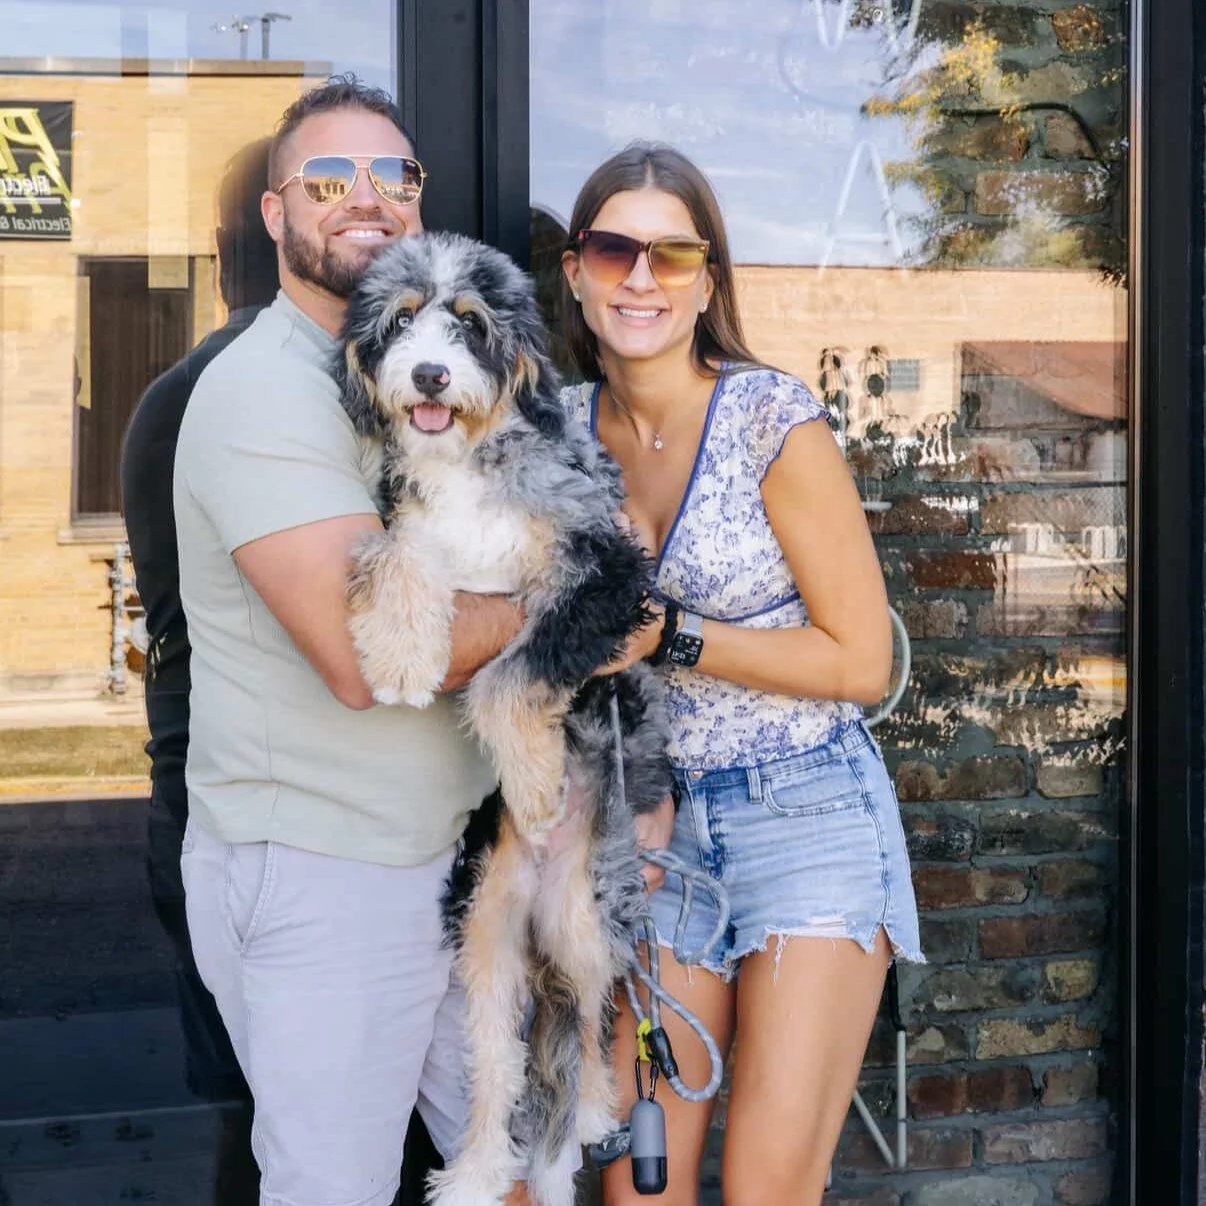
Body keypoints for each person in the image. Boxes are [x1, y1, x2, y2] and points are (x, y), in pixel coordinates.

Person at [171, 75, 612, 1206]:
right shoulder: (262, 394)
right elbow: (364, 655)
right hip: (329, 874)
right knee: (334, 1189)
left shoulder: (406, 381)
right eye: (328, 178)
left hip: (455, 857)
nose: (365, 199)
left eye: (392, 177)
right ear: (274, 214)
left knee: (521, 1171)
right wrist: (583, 606)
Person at [559, 143, 924, 1206]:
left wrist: (673, 636)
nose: (640, 278)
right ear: (577, 272)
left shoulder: (772, 416)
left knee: (768, 1187)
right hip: (653, 830)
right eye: (614, 249)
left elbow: (861, 660)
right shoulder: (560, 439)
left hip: (803, 809)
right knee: (643, 1186)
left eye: (671, 256)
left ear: (708, 282)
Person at [121, 135, 279, 1205]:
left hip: (189, 780)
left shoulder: (161, 402)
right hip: (254, 789)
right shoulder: (273, 395)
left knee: (247, 1110)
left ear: (220, 262)